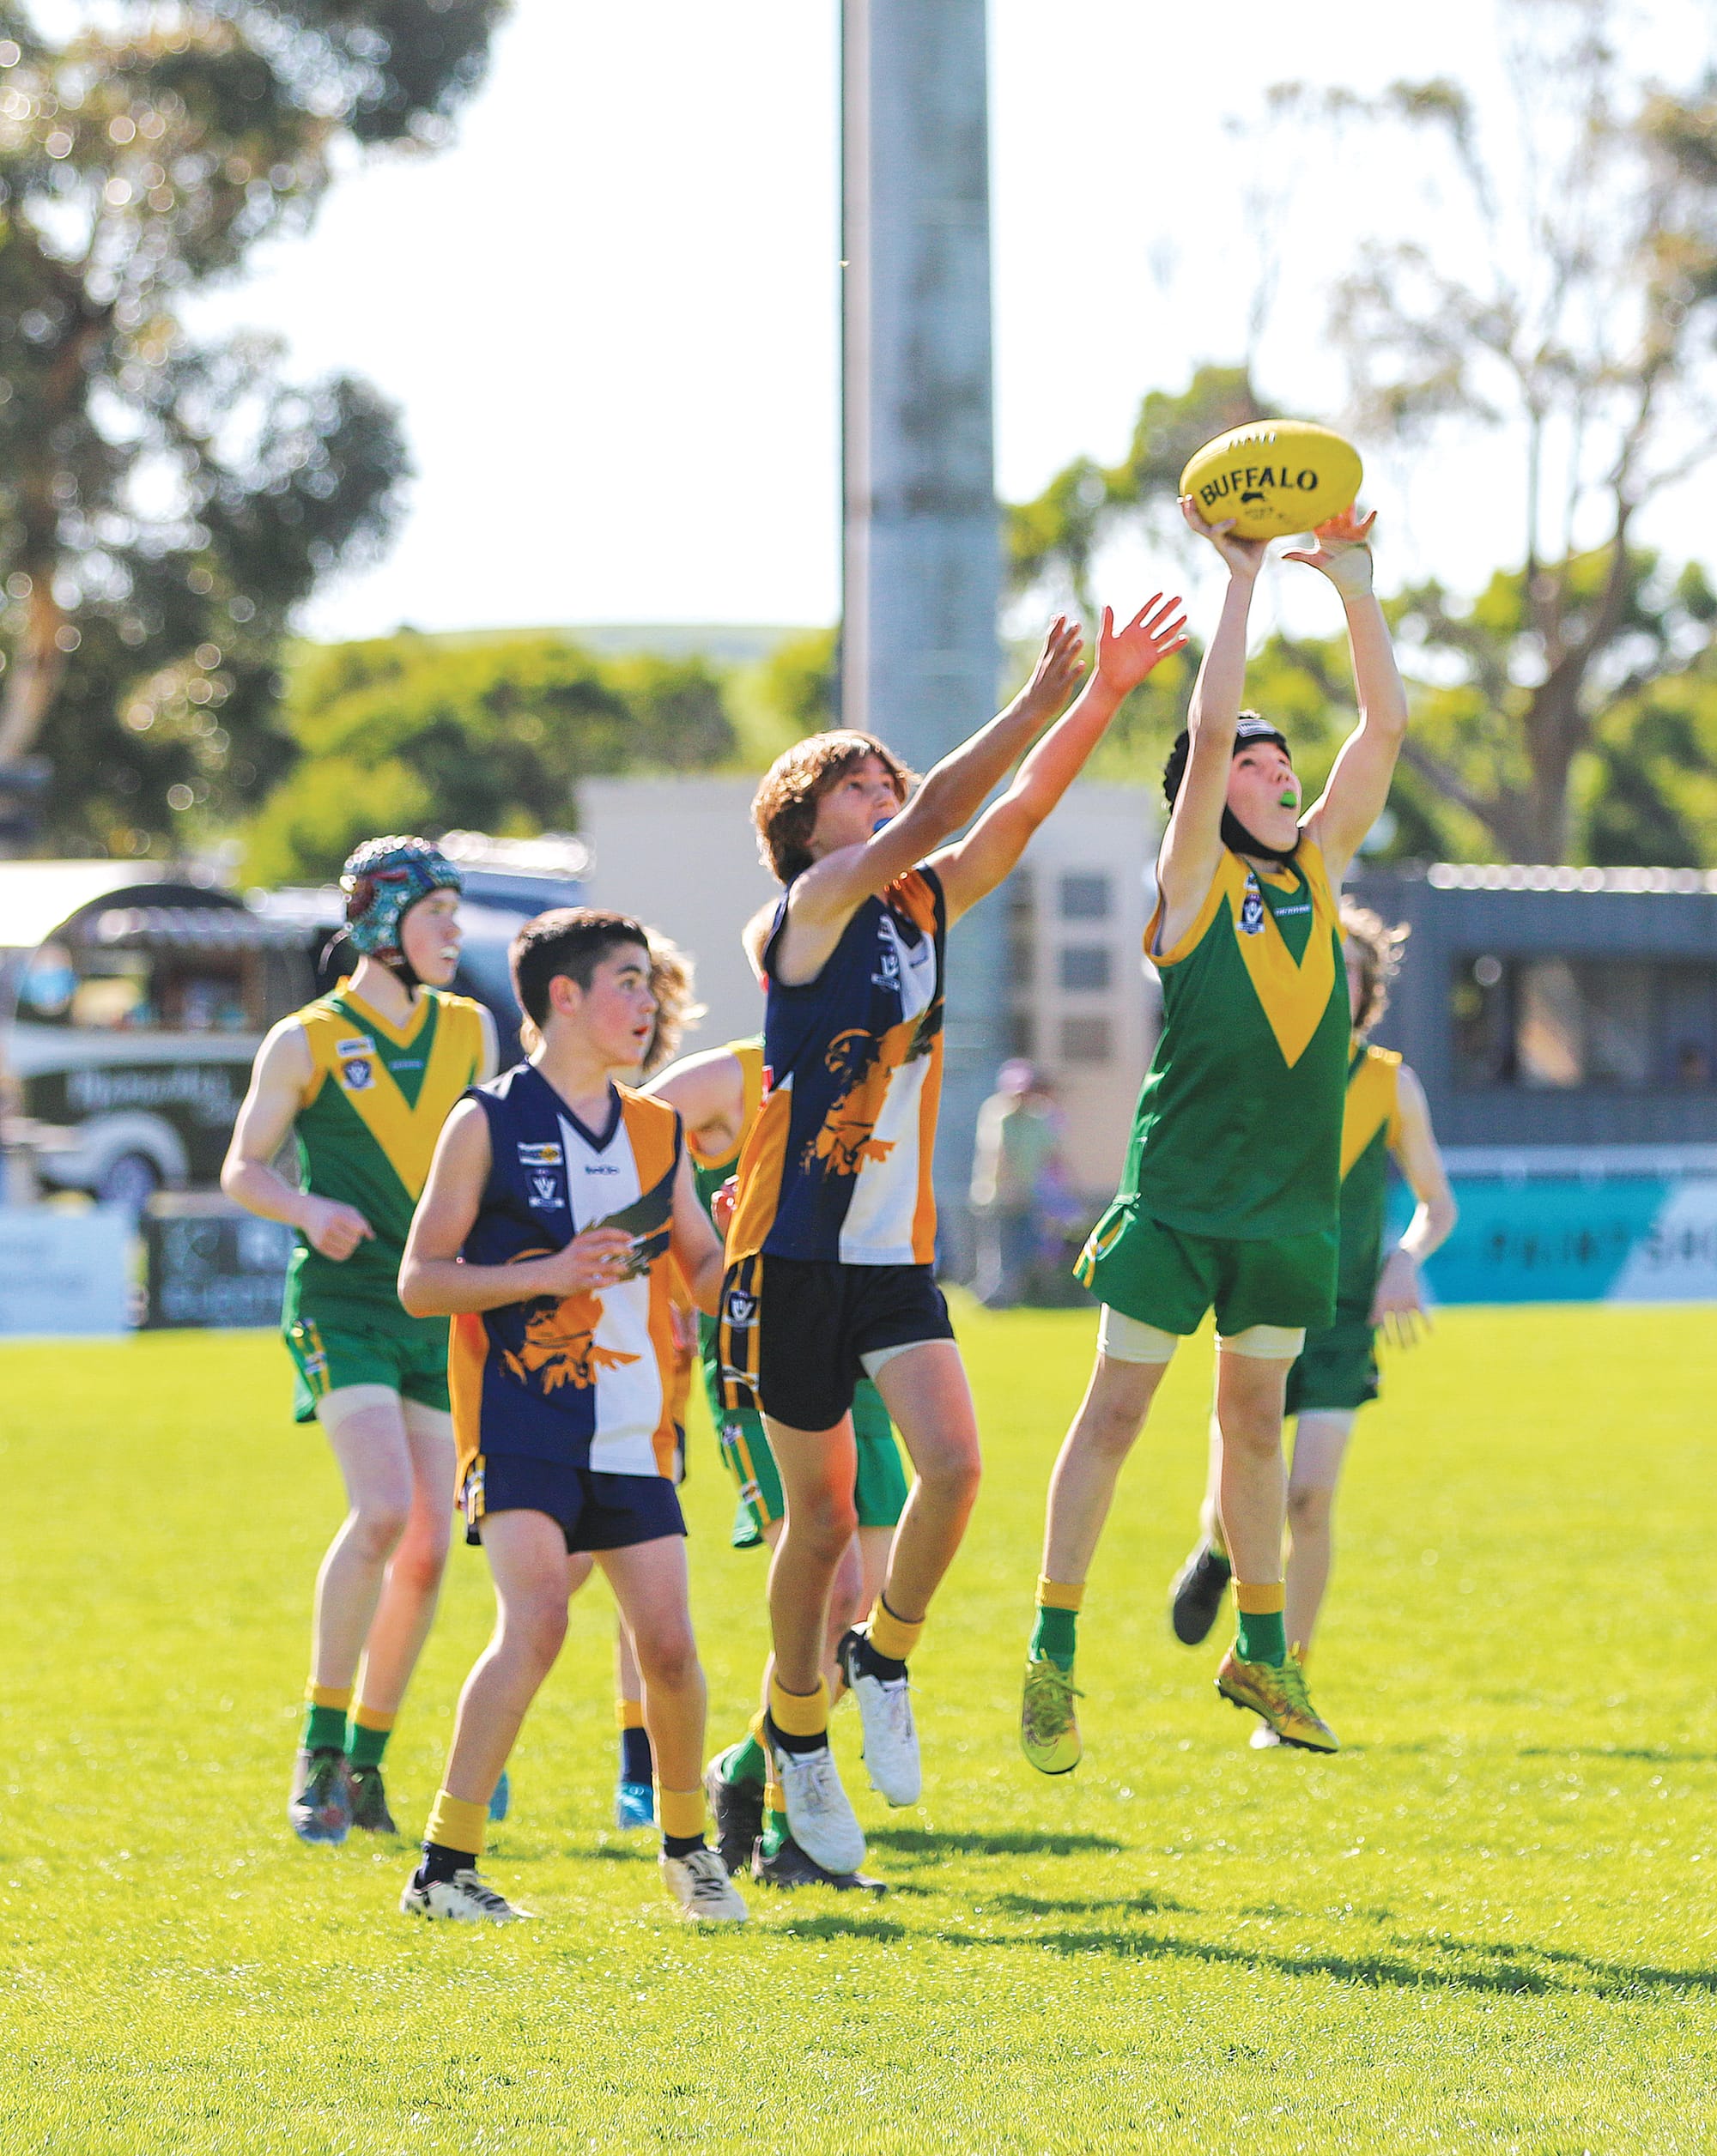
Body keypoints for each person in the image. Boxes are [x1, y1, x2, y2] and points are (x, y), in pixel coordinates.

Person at [719, 598, 1186, 1880]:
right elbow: (938, 816)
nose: (883, 795)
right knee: (821, 1526)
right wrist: (1035, 697)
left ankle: (882, 1656)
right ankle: (796, 1735)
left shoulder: (917, 907)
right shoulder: (807, 909)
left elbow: (1012, 816)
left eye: (886, 780)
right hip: (790, 1253)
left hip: (890, 1254)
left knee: (958, 1468)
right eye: (855, 786)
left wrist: (1101, 698)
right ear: (803, 827)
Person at [1021, 497, 1410, 1776]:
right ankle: (1052, 1652)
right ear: (1206, 796)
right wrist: (1239, 580)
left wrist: (1353, 585)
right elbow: (1200, 727)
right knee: (1116, 1419)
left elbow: (1384, 728)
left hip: (1286, 1218)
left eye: (1284, 760)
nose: (1280, 772)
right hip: (1182, 1202)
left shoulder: (1319, 868)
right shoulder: (1193, 884)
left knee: (1253, 1428)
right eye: (1253, 764)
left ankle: (1261, 1651)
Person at [396, 908, 745, 1923]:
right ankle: (443, 1867)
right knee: (538, 1619)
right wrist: (548, 1271)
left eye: (649, 984)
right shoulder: (484, 1122)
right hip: (520, 1418)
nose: (647, 1003)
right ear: (563, 995)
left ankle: (688, 1852)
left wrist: (749, 1252)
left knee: (669, 1648)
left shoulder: (657, 1129)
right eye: (627, 982)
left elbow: (701, 1268)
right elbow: (422, 1281)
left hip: (634, 1424)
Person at [222, 836, 495, 1846]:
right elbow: (243, 1167)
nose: (454, 931)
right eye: (436, 914)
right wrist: (304, 1207)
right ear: (383, 924)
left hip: (434, 1309)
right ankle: (320, 1747)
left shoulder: (469, 1029)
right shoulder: (304, 1039)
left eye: (455, 912)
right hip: (340, 1304)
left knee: (430, 1541)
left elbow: (487, 1170)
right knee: (384, 1509)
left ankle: (368, 1766)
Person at [1168, 902, 1458, 1725]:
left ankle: (1283, 1685)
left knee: (1309, 1502)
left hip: (1341, 1320)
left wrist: (1404, 1259)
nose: (1337, 988)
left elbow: (1438, 1204)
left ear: (1368, 991)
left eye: (1351, 976)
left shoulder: (1390, 1084)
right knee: (1236, 1502)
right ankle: (1216, 1551)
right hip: (1258, 1306)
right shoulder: (1257, 1070)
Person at [645, 1028, 907, 1889]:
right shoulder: (733, 1075)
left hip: (862, 1345)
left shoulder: (884, 1066)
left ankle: (747, 1770)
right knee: (830, 1590)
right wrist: (689, 1253)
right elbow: (626, 1132)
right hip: (761, 1353)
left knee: (862, 1613)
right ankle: (794, 1834)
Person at [970, 1060, 1066, 1308]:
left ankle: (1024, 1294)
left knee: (1027, 1246)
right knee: (998, 1250)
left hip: (1028, 1196)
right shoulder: (997, 1113)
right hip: (997, 1196)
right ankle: (996, 1297)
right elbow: (997, 1154)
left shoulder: (1038, 1116)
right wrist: (1009, 1187)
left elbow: (1051, 1154)